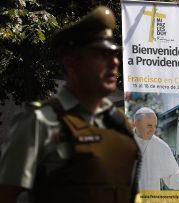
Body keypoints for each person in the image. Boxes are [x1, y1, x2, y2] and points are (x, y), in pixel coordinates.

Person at [0, 6, 140, 203]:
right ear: (71, 63)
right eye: (101, 54)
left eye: (114, 54)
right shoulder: (39, 122)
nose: (114, 63)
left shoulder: (120, 123)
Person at [133, 107, 179, 191]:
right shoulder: (121, 141)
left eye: (155, 126)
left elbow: (171, 178)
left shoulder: (162, 147)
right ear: (136, 123)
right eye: (149, 125)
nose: (153, 130)